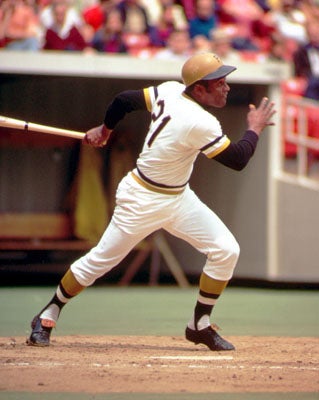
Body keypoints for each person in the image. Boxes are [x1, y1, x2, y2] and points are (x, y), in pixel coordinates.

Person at [27, 52, 275, 351]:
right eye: (219, 83)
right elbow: (237, 159)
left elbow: (123, 101)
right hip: (141, 199)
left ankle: (199, 324)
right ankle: (48, 313)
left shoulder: (170, 89)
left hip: (178, 198)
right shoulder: (201, 122)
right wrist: (255, 127)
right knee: (100, 261)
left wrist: (104, 130)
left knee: (226, 250)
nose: (227, 88)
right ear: (199, 89)